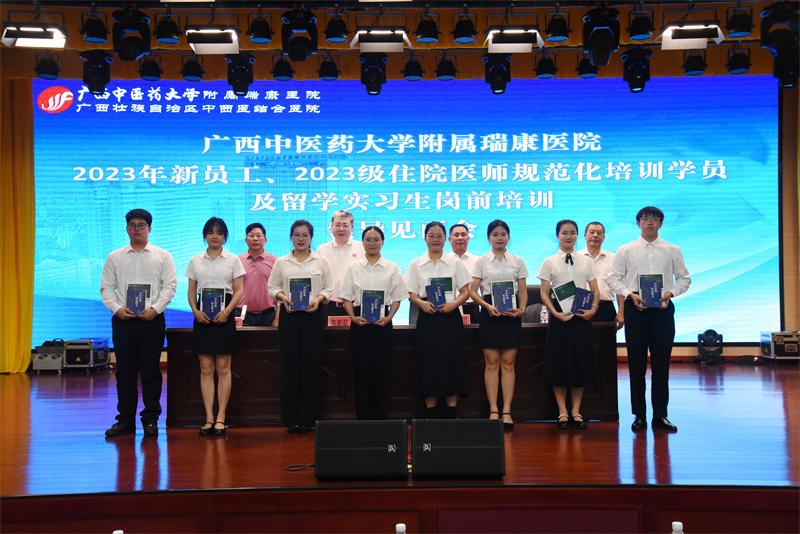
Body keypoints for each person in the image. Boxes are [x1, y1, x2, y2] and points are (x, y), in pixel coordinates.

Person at [608, 206, 691, 433]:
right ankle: (639, 416)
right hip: (636, 309)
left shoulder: (672, 249)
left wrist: (671, 293)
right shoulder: (626, 249)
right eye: (645, 219)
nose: (650, 222)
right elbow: (613, 279)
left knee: (661, 365)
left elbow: (684, 278)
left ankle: (661, 415)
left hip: (663, 309)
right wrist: (630, 295)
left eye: (655, 219)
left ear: (661, 224)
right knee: (636, 365)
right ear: (638, 223)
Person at [101, 209, 177, 438]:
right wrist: (117, 309)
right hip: (123, 320)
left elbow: (169, 287)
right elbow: (107, 288)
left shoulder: (163, 256)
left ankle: (151, 420)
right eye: (132, 225)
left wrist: (155, 309)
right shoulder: (115, 257)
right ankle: (125, 420)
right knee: (124, 372)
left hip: (152, 320)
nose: (137, 229)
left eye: (141, 225)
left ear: (149, 229)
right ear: (127, 229)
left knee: (150, 371)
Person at [268, 219, 333, 433]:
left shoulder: (321, 261)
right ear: (291, 237)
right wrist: (282, 297)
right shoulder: (282, 262)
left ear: (311, 238)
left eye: (305, 235)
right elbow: (272, 287)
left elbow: (329, 288)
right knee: (289, 366)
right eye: (296, 235)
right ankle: (291, 419)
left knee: (311, 367)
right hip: (289, 316)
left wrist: (319, 299)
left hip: (314, 316)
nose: (301, 239)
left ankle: (307, 419)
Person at [339, 226, 408, 420]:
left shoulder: (391, 267)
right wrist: (352, 317)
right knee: (361, 371)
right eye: (368, 239)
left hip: (382, 323)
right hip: (359, 323)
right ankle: (363, 417)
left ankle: (380, 416)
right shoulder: (353, 267)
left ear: (382, 242)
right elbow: (346, 297)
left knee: (382, 371)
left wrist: (389, 317)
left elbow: (398, 298)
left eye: (376, 239)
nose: (372, 243)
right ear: (362, 243)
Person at [405, 221, 472, 419]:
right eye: (431, 236)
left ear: (445, 239)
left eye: (439, 236)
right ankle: (431, 411)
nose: (435, 239)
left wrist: (454, 305)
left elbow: (465, 291)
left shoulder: (455, 263)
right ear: (425, 238)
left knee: (452, 361)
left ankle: (451, 410)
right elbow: (411, 294)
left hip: (450, 318)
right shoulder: (415, 264)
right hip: (428, 317)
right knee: (429, 363)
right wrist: (421, 303)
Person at [537, 219, 600, 430]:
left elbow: (595, 289)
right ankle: (562, 411)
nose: (569, 236)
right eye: (564, 233)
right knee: (559, 364)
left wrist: (593, 309)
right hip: (559, 318)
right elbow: (544, 293)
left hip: (581, 317)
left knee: (580, 363)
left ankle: (576, 411)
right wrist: (554, 313)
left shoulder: (586, 261)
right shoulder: (549, 261)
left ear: (577, 235)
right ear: (557, 235)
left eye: (572, 232)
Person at [186, 217, 245, 437]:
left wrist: (227, 311)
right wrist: (195, 311)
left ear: (225, 237)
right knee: (205, 367)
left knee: (223, 367)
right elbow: (192, 291)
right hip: (202, 314)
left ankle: (221, 417)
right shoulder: (195, 260)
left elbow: (239, 290)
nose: (215, 236)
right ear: (204, 235)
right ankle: (209, 418)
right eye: (210, 232)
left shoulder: (233, 260)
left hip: (224, 314)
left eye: (219, 233)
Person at [469, 220, 528, 430]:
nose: (499, 237)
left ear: (509, 237)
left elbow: (523, 291)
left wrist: (521, 309)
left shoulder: (518, 261)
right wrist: (486, 306)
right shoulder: (481, 261)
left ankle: (507, 411)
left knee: (509, 363)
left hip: (511, 315)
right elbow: (473, 291)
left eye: (503, 234)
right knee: (492, 362)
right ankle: (494, 410)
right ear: (488, 238)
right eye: (495, 234)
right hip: (490, 314)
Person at [316, 210, 364, 320]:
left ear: (352, 227)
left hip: (355, 305)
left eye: (345, 225)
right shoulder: (322, 249)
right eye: (337, 225)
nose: (341, 229)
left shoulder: (362, 248)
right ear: (331, 226)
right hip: (329, 305)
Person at [577, 222, 625, 330]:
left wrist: (621, 312)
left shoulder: (613, 258)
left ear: (603, 237)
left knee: (606, 340)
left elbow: (620, 288)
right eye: (592, 232)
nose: (595, 235)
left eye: (599, 233)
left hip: (605, 308)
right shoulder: (576, 257)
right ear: (585, 236)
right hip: (582, 307)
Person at [236, 223, 278, 327]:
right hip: (241, 314)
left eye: (259, 236)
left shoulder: (274, 261)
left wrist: (277, 318)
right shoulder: (237, 260)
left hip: (267, 315)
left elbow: (279, 290)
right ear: (246, 240)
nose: (255, 239)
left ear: (265, 240)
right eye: (251, 236)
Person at [448, 223, 481, 323]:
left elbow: (483, 290)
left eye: (463, 235)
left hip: (472, 307)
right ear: (449, 239)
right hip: (451, 308)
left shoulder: (477, 261)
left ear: (468, 238)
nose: (460, 238)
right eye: (456, 235)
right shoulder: (444, 261)